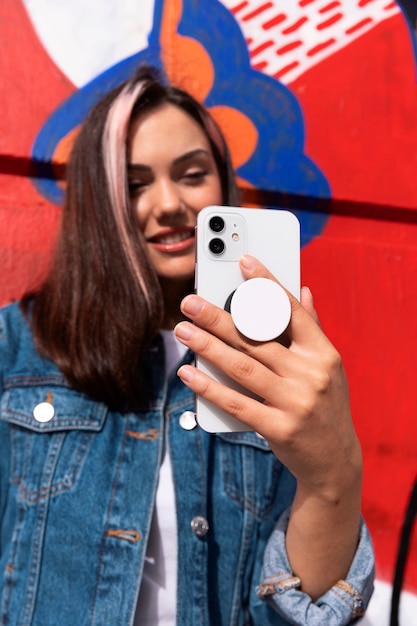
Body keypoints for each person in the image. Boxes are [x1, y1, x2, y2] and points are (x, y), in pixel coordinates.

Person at [0, 64, 374, 626]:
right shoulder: (15, 346)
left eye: (192, 174)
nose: (169, 203)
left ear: (223, 186)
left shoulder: (278, 364)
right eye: (134, 184)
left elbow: (294, 613)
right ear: (98, 203)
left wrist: (334, 478)